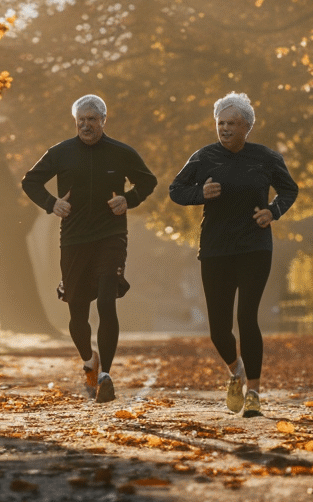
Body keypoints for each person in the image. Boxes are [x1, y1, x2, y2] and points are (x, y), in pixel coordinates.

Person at [169, 92, 298, 418]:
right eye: (220, 123)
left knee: (247, 318)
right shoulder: (204, 157)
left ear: (247, 126)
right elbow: (176, 190)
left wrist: (272, 212)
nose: (225, 129)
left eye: (231, 123)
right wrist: (200, 193)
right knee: (218, 329)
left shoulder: (266, 158)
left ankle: (253, 393)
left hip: (255, 247)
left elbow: (289, 189)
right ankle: (235, 371)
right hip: (216, 250)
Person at [22, 94, 157, 403]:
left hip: (111, 236)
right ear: (75, 122)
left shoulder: (121, 153)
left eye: (92, 119)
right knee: (77, 311)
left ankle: (106, 374)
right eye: (80, 120)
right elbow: (30, 182)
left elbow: (148, 181)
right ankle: (89, 360)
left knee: (107, 303)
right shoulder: (60, 153)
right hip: (74, 239)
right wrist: (51, 203)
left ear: (103, 121)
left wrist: (128, 199)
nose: (86, 125)